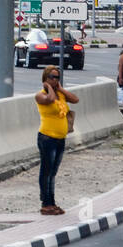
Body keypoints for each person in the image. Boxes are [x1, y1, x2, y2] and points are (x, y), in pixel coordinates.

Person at [34, 65, 79, 215]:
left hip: (60, 138)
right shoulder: (40, 95)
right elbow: (49, 99)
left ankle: (52, 202)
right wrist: (48, 87)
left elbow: (75, 99)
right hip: (47, 138)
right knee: (46, 171)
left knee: (53, 172)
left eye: (57, 77)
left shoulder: (61, 95)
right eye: (52, 77)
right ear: (45, 78)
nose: (55, 80)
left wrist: (60, 88)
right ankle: (45, 203)